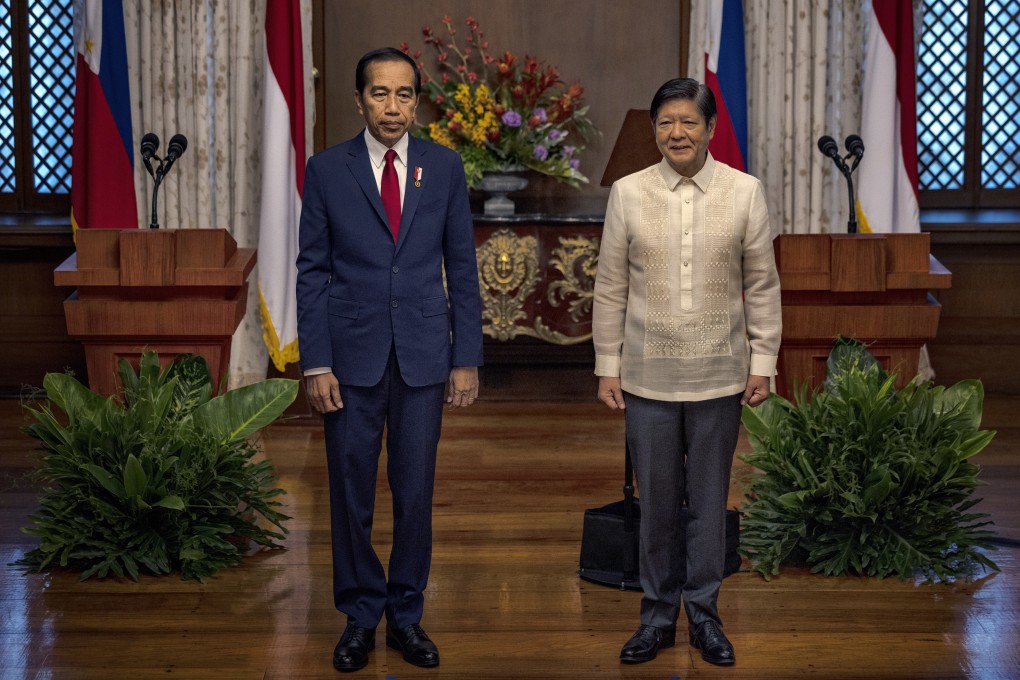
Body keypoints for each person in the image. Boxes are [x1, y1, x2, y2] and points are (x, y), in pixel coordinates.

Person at [295, 47, 483, 673]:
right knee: (350, 493)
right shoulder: (326, 170)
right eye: (380, 94)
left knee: (415, 492)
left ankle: (406, 614)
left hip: (426, 357)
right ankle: (357, 616)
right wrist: (315, 362)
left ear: (417, 102)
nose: (393, 107)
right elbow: (312, 271)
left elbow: (462, 266)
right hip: (349, 360)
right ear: (359, 100)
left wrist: (466, 357)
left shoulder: (445, 167)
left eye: (405, 94)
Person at [592, 77, 781, 667]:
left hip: (721, 376)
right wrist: (607, 367)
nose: (677, 132)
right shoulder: (626, 192)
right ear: (654, 131)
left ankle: (704, 615)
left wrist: (764, 361)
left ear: (710, 129)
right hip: (646, 376)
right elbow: (609, 288)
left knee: (707, 504)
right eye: (666, 123)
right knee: (656, 505)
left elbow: (762, 285)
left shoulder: (745, 192)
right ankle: (655, 618)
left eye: (688, 122)